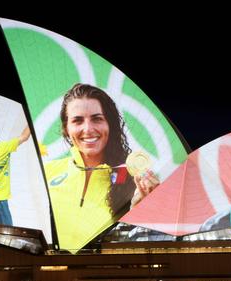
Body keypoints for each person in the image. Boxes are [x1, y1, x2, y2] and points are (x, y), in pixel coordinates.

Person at [44, 83, 159, 252]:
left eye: (97, 119)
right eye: (77, 120)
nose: (88, 129)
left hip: (102, 274)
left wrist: (141, 213)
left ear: (110, 125)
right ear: (66, 128)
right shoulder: (46, 172)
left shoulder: (134, 181)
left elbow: (137, 247)